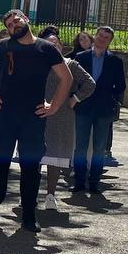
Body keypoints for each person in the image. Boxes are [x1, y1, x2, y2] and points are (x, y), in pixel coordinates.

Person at [0, 9, 72, 233]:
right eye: (9, 25)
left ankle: (29, 216)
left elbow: (66, 78)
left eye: (16, 20)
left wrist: (54, 106)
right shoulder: (3, 46)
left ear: (26, 19)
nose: (14, 25)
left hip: (33, 118)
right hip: (5, 115)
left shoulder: (46, 48)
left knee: (30, 167)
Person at [39, 30, 95, 210]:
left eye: (56, 44)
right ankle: (28, 193)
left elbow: (89, 83)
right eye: (49, 44)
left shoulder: (70, 64)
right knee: (33, 154)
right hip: (36, 114)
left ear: (61, 47)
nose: (53, 46)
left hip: (60, 116)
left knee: (54, 157)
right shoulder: (35, 63)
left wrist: (75, 99)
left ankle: (50, 195)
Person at [73, 25, 126, 193]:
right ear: (95, 36)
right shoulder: (80, 57)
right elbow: (73, 81)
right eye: (100, 36)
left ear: (110, 41)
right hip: (83, 107)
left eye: (106, 38)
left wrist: (112, 99)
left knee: (99, 148)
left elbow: (121, 86)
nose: (102, 39)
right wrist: (75, 98)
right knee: (80, 147)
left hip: (104, 110)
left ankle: (95, 182)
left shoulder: (115, 61)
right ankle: (79, 181)